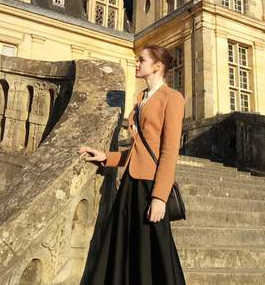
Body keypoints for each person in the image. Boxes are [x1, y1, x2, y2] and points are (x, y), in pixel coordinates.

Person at [78, 44, 187, 285]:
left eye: (141, 60)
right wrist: (106, 157)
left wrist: (160, 196)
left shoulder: (172, 98)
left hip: (150, 185)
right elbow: (139, 151)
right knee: (124, 247)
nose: (136, 63)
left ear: (157, 66)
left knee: (153, 251)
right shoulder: (141, 99)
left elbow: (169, 151)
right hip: (131, 182)